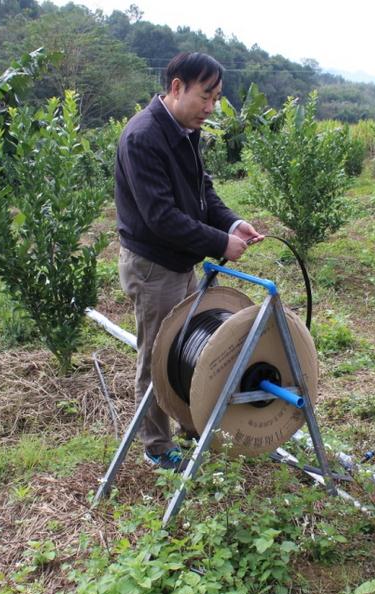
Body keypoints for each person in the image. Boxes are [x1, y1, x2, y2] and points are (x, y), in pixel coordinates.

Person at [115, 51, 263, 470]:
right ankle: (157, 447)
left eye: (217, 98)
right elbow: (160, 218)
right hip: (153, 265)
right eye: (206, 96)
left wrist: (232, 224)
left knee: (187, 349)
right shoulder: (143, 137)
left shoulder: (183, 130)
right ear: (177, 87)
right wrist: (220, 243)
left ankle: (191, 425)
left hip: (182, 262)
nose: (211, 108)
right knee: (158, 355)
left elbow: (203, 194)